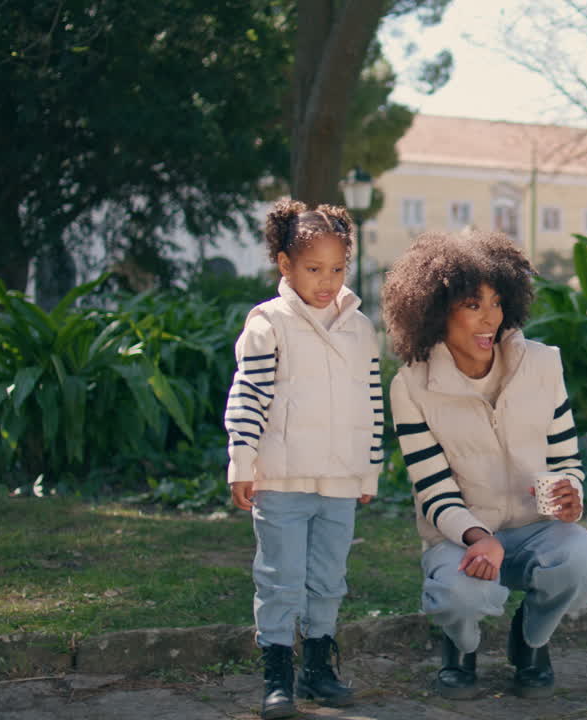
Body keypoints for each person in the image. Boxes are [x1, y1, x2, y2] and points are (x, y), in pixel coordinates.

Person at [382, 229, 587, 700]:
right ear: (436, 311)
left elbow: (565, 456)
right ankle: (460, 647)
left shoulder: (543, 365)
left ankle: (531, 640)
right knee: (459, 595)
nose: (490, 318)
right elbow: (432, 489)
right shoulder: (411, 386)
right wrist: (478, 537)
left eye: (496, 302)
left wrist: (571, 493)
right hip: (461, 535)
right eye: (472, 305)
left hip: (536, 527)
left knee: (585, 560)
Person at [223, 198, 383, 719]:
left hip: (339, 481)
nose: (327, 281)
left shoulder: (361, 329)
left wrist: (369, 469)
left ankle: (318, 667)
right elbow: (248, 396)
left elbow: (372, 402)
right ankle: (277, 676)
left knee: (328, 578)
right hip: (282, 479)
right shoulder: (268, 323)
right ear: (285, 264)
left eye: (337, 269)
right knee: (280, 577)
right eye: (314, 269)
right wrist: (242, 461)